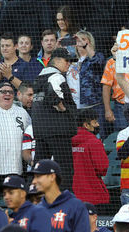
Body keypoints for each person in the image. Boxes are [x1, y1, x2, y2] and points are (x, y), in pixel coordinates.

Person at [32, 48, 78, 191]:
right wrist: (63, 108)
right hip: (58, 131)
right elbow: (53, 97)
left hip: (41, 132)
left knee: (39, 169)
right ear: (56, 60)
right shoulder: (56, 76)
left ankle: (33, 201)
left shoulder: (39, 77)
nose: (69, 64)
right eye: (67, 61)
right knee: (64, 170)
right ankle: (64, 203)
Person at [72, 108, 109, 209]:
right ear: (86, 125)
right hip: (93, 196)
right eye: (95, 122)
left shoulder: (67, 142)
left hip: (73, 195)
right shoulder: (94, 142)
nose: (97, 125)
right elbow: (102, 168)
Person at [101, 49, 129, 133]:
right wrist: (108, 110)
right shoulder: (112, 62)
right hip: (121, 107)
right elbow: (106, 86)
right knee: (123, 135)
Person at [74, 31, 105, 128]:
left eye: (83, 39)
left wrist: (86, 46)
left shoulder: (97, 56)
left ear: (90, 42)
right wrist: (59, 48)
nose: (80, 42)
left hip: (94, 106)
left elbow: (98, 62)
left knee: (97, 136)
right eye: (77, 40)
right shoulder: (71, 61)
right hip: (76, 108)